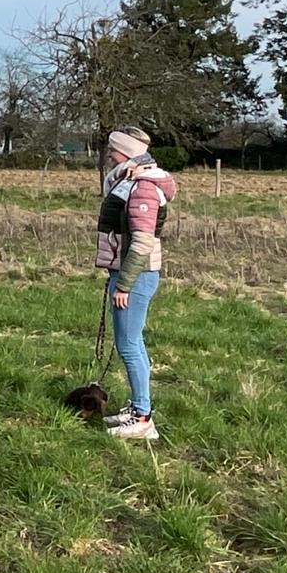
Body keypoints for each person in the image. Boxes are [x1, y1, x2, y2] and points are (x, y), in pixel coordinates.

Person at [94, 126, 176, 440]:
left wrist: (124, 285)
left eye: (113, 150)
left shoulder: (141, 188)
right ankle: (139, 409)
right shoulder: (130, 182)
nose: (109, 155)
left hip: (136, 276)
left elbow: (141, 243)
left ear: (126, 153)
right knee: (133, 344)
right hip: (129, 273)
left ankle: (142, 420)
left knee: (129, 346)